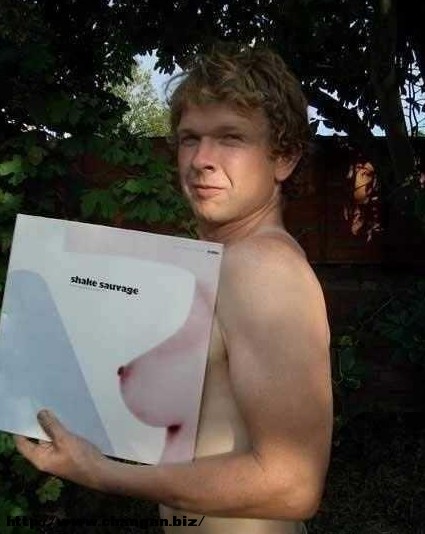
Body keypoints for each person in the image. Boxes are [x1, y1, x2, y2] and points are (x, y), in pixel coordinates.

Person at [14, 44, 333, 534]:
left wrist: (102, 473)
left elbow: (294, 484)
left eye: (230, 137)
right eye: (190, 139)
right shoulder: (219, 263)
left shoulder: (261, 268)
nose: (201, 159)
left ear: (284, 158)